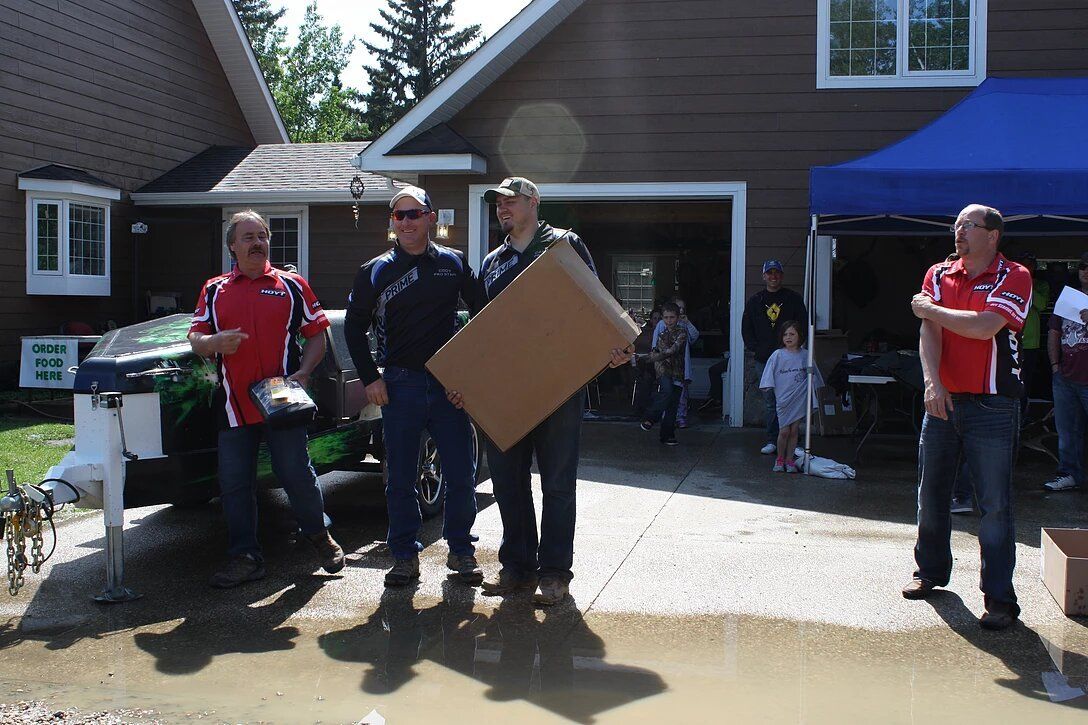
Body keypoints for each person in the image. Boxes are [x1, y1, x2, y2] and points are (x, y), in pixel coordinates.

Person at [463, 176, 631, 606]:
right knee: (507, 482)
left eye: (511, 201)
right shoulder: (492, 263)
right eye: (498, 203)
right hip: (507, 391)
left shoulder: (563, 244)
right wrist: (467, 381)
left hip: (559, 386)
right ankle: (517, 567)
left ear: (534, 202)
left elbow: (595, 302)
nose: (503, 209)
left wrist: (615, 344)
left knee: (557, 483)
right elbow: (481, 334)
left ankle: (555, 573)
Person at [188, 210, 344, 588]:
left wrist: (304, 373)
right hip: (234, 404)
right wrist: (213, 343)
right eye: (248, 237)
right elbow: (195, 338)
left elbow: (317, 335)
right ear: (232, 247)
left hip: (281, 399)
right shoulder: (214, 289)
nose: (257, 243)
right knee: (235, 482)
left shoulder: (292, 285)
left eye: (262, 236)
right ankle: (245, 556)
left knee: (296, 472)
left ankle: (317, 535)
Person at [344, 186, 482, 587]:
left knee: (460, 473)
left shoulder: (454, 265)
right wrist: (371, 378)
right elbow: (354, 328)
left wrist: (470, 376)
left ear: (431, 217)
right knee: (399, 478)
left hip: (447, 387)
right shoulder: (375, 270)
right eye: (399, 215)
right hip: (398, 385)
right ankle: (404, 555)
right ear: (392, 222)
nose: (406, 222)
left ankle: (461, 551)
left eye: (414, 214)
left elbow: (487, 317)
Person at [902, 204, 1031, 631]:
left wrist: (929, 309)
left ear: (992, 236)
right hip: (943, 401)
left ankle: (999, 600)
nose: (958, 231)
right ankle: (931, 573)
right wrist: (932, 384)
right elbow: (930, 334)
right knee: (930, 495)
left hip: (994, 405)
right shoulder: (938, 274)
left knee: (994, 505)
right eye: (956, 224)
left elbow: (983, 327)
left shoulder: (1014, 276)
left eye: (968, 225)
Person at [741, 259, 808, 455]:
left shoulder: (793, 298)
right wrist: (755, 349)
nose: (773, 277)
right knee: (771, 401)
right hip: (765, 360)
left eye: (776, 273)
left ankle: (795, 442)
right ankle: (773, 439)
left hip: (791, 359)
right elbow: (746, 329)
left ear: (782, 276)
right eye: (769, 273)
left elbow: (803, 324)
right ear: (763, 276)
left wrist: (797, 347)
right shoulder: (755, 301)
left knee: (793, 400)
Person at [1042, 252, 1088, 492]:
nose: (1085, 270)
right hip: (1065, 377)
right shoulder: (1069, 298)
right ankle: (1069, 474)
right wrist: (1055, 366)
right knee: (1067, 432)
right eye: (1082, 266)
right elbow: (1054, 332)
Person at [759, 320, 823, 473]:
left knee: (794, 430)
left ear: (799, 336)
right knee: (784, 431)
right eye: (785, 334)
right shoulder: (777, 355)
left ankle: (789, 460)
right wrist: (768, 386)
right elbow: (768, 373)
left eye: (792, 334)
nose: (788, 337)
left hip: (799, 397)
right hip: (783, 398)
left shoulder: (805, 355)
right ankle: (780, 458)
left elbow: (813, 373)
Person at [640, 302, 688, 446]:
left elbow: (673, 350)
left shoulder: (682, 332)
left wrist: (650, 358)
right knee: (666, 391)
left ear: (678, 317)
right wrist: (654, 357)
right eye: (666, 318)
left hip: (677, 370)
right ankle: (650, 418)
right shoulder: (661, 333)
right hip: (663, 369)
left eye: (672, 317)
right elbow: (658, 350)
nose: (669, 321)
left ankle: (667, 435)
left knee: (673, 405)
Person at [651, 297, 698, 428]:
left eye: (682, 308)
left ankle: (680, 416)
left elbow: (694, 336)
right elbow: (655, 344)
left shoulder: (683, 326)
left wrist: (688, 323)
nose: (680, 310)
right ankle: (665, 417)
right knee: (667, 391)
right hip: (665, 365)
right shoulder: (662, 324)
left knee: (681, 393)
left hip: (680, 366)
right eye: (678, 307)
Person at [631, 308, 662, 417]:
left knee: (646, 377)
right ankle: (642, 408)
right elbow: (636, 347)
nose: (657, 321)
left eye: (659, 319)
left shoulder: (664, 333)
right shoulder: (645, 333)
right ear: (651, 320)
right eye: (654, 318)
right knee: (644, 376)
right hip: (644, 363)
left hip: (658, 365)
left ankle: (641, 408)